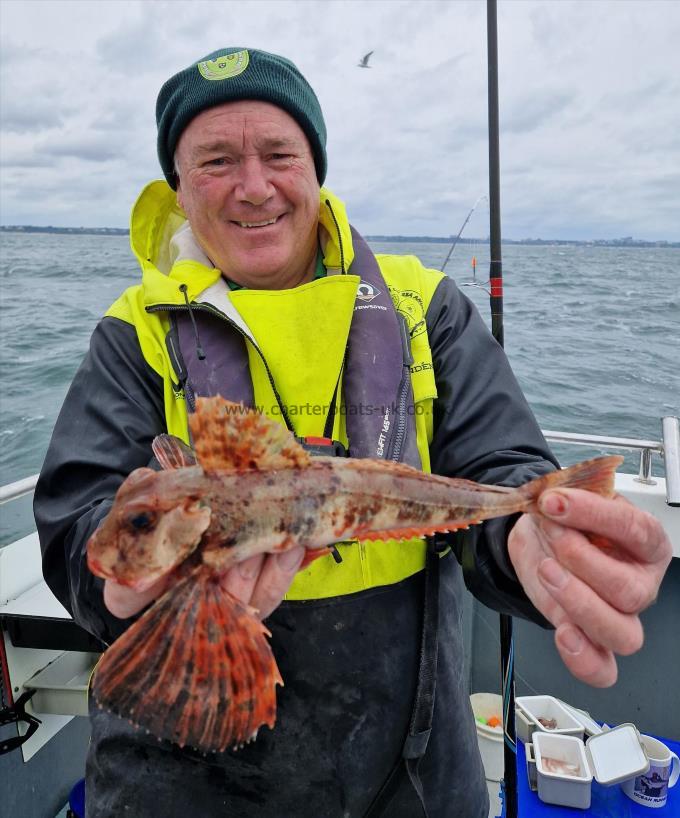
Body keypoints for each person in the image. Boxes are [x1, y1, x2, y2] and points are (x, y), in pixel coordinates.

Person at [34, 47, 672, 818]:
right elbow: (79, 516)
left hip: (407, 764)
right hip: (178, 774)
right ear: (178, 185)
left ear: (316, 168)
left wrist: (529, 540)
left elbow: (499, 457)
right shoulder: (131, 333)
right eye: (216, 160)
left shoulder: (423, 305)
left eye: (279, 154)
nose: (254, 185)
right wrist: (118, 585)